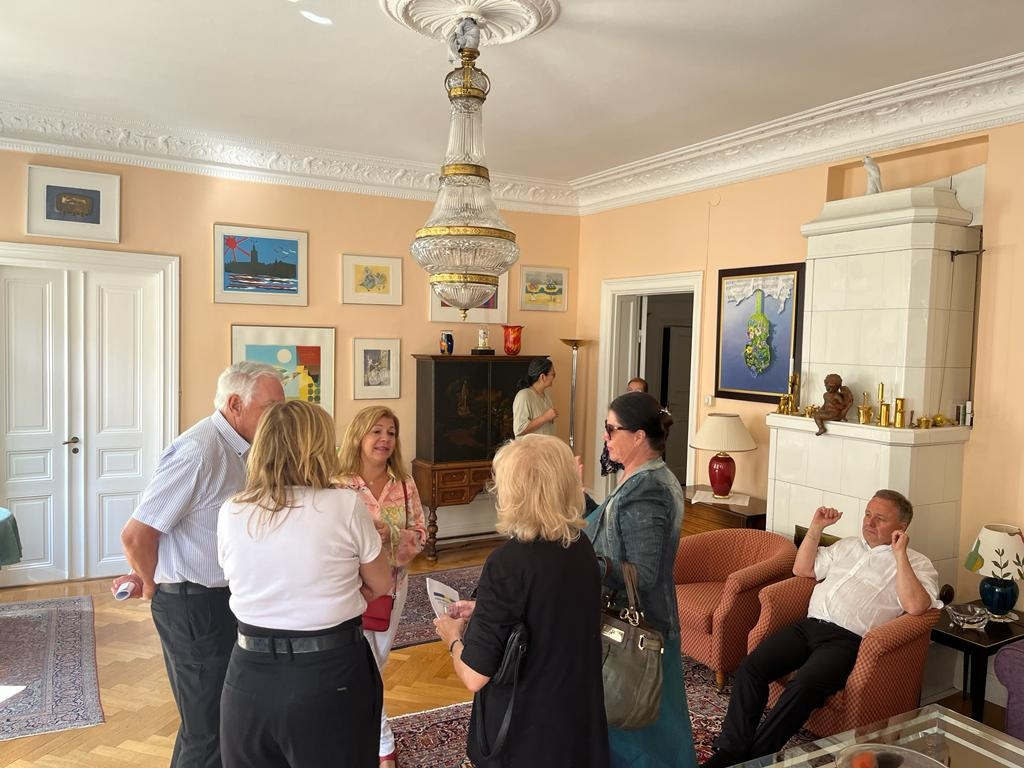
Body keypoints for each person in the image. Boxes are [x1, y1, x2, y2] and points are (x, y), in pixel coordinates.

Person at [115, 361, 285, 768]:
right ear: (235, 405)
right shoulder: (199, 451)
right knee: (207, 728)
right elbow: (136, 534)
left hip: (221, 601)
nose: (279, 417)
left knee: (218, 720)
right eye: (272, 408)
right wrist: (150, 583)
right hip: (193, 606)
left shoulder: (241, 449)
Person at [701, 490, 940, 768]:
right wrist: (816, 528)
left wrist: (900, 555)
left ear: (902, 527)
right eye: (867, 514)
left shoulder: (917, 563)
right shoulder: (847, 546)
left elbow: (917, 606)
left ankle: (757, 759)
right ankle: (731, 752)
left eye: (880, 518)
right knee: (750, 668)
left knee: (804, 687)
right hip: (808, 627)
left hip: (846, 641)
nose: (869, 522)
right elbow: (802, 569)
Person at [217, 399, 392, 768]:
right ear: (318, 448)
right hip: (329, 673)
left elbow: (240, 578)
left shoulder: (232, 510)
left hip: (248, 673)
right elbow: (381, 583)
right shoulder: (344, 505)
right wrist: (342, 592)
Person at [434, 435, 609, 768]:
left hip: (527, 734)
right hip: (578, 723)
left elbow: (474, 675)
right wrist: (484, 609)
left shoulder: (508, 563)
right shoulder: (580, 546)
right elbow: (550, 609)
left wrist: (452, 637)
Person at [584, 391, 697, 768]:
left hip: (639, 632)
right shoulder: (641, 478)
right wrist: (581, 499)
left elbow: (644, 573)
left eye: (610, 428)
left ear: (637, 436)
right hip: (635, 626)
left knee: (641, 730)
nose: (605, 436)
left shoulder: (648, 488)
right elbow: (612, 527)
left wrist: (586, 564)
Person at [336, 406, 428, 768]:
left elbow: (421, 534)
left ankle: (357, 727)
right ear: (359, 435)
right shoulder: (336, 484)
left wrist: (393, 534)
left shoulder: (404, 483)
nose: (384, 439)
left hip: (392, 589)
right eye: (376, 431)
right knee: (365, 666)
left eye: (391, 432)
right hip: (348, 589)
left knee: (375, 662)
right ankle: (383, 744)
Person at [601, 377, 650, 475]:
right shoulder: (619, 412)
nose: (632, 394)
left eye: (637, 391)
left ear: (644, 394)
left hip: (639, 460)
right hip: (621, 457)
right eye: (630, 390)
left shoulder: (648, 415)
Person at [512, 356, 557, 437]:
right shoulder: (524, 396)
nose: (554, 377)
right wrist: (545, 417)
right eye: (553, 374)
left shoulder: (546, 396)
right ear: (542, 377)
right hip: (530, 445)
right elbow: (519, 429)